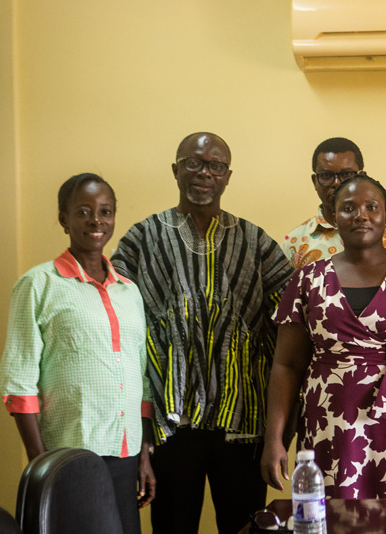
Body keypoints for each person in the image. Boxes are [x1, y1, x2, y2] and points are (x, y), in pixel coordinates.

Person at [111, 133, 294, 534]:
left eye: (216, 166)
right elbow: (114, 325)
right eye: (194, 163)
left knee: (245, 528)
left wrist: (282, 428)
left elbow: (293, 321)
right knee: (172, 527)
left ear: (228, 176)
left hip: (244, 422)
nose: (204, 173)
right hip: (171, 422)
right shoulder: (143, 238)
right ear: (175, 170)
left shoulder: (255, 241)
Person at [262, 175, 386, 499]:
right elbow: (287, 365)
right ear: (334, 218)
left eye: (371, 207)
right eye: (348, 208)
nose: (361, 215)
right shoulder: (307, 281)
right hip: (330, 427)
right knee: (337, 517)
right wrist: (274, 438)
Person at [0, 173, 155, 534]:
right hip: (69, 456)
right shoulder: (38, 284)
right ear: (63, 218)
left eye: (105, 211)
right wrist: (42, 464)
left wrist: (144, 455)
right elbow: (18, 383)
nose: (96, 221)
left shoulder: (129, 292)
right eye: (83, 211)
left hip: (125, 454)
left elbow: (141, 379)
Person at [282, 137, 386, 269]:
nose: (337, 183)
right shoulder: (295, 242)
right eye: (326, 175)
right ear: (315, 181)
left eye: (347, 174)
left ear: (363, 176)